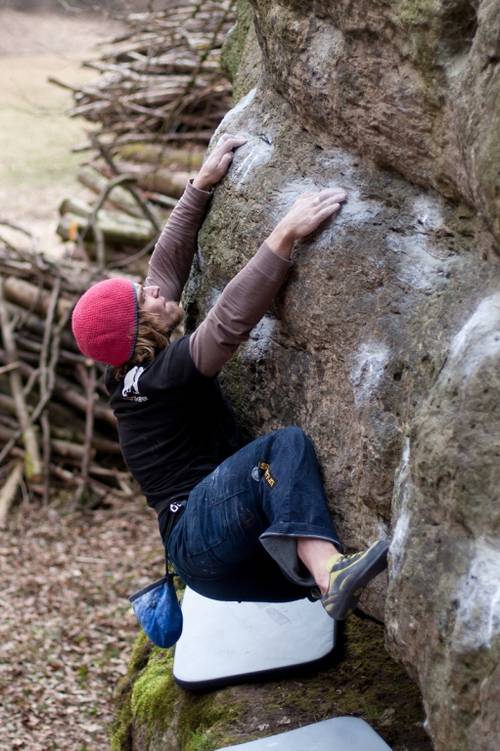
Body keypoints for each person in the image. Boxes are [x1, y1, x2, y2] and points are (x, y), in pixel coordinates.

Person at [71, 134, 389, 620]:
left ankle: (323, 578)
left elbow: (164, 269)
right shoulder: (159, 378)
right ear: (139, 330)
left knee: (276, 491)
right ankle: (330, 574)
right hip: (202, 536)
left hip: (229, 561)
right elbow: (225, 326)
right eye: (143, 299)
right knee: (282, 449)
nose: (154, 291)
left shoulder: (131, 367)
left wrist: (199, 187)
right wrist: (283, 236)